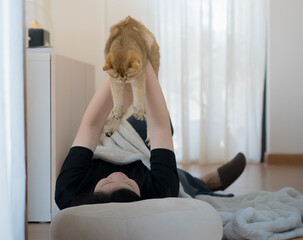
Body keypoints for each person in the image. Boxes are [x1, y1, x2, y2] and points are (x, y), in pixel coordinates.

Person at [54, 33, 246, 210]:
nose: (118, 176)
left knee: (157, 130)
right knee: (172, 179)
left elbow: (91, 125)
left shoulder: (70, 192)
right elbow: (159, 126)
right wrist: (143, 60)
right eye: (129, 184)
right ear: (142, 198)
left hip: (114, 147)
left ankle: (198, 182)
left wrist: (121, 66)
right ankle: (204, 183)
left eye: (106, 182)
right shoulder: (160, 191)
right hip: (143, 159)